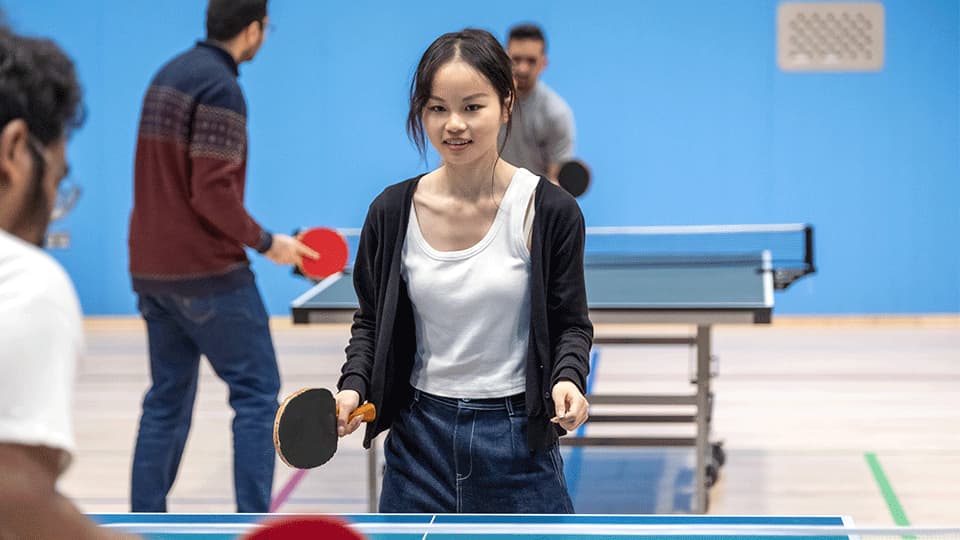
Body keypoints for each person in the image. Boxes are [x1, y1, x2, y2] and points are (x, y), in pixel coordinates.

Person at [334, 28, 593, 513]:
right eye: (437, 108)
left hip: (518, 441)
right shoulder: (391, 212)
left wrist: (567, 378)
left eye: (473, 107)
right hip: (418, 442)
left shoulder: (550, 211)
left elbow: (571, 323)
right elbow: (370, 322)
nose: (454, 124)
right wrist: (353, 385)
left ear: (506, 103)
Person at [127, 0, 316, 513]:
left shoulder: (169, 74)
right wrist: (267, 242)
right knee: (257, 394)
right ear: (253, 30)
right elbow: (211, 193)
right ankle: (253, 523)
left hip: (150, 270)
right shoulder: (222, 89)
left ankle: (146, 522)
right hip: (207, 273)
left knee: (166, 399)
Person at [0, 26, 136, 539]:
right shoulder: (23, 281)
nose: (51, 209)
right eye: (56, 178)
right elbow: (15, 496)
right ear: (15, 150)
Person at [499, 23, 576, 183]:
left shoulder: (557, 113)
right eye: (516, 59)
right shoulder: (488, 103)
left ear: (543, 63)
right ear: (506, 58)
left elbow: (555, 182)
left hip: (533, 202)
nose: (522, 68)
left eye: (531, 61)